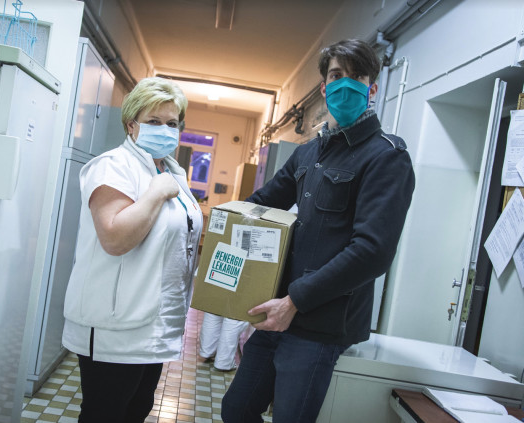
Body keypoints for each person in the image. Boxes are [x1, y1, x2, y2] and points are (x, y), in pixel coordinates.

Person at [221, 39, 416, 422]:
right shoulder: (308, 153)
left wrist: (294, 301)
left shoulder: (386, 157)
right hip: (278, 312)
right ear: (324, 87)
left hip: (321, 324)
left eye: (356, 76)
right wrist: (219, 224)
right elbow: (261, 203)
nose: (345, 84)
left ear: (373, 88)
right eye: (336, 75)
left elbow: (372, 252)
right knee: (236, 410)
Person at [61, 77, 203, 423]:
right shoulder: (113, 166)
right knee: (105, 414)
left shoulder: (171, 171)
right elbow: (114, 238)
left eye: (172, 123)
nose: (165, 130)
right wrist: (155, 193)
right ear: (131, 124)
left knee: (136, 410)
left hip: (153, 323)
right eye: (154, 121)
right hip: (115, 326)